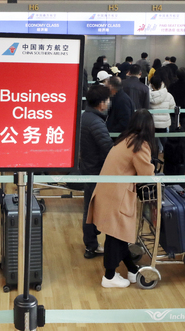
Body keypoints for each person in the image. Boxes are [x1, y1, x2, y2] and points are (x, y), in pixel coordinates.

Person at [87, 109, 157, 288]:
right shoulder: (140, 144)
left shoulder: (125, 139)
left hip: (107, 192)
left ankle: (132, 270)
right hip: (116, 196)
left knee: (118, 235)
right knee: (116, 236)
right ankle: (109, 276)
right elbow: (146, 174)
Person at [80, 85, 114, 259]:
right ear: (101, 103)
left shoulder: (86, 117)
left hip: (88, 168)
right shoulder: (96, 122)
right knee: (93, 209)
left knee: (90, 208)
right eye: (107, 100)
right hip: (97, 171)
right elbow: (108, 148)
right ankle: (92, 245)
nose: (109, 102)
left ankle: (91, 243)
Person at [149, 74, 175, 148]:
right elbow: (172, 108)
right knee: (165, 143)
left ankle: (153, 157)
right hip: (163, 123)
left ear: (151, 84)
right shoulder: (168, 95)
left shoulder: (147, 95)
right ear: (161, 83)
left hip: (150, 123)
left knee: (151, 144)